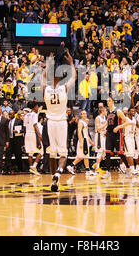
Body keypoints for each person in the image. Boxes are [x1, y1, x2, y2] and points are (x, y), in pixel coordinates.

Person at [43, 48, 76, 192]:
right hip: (62, 122)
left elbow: (43, 77)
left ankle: (53, 180)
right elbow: (74, 77)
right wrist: (71, 63)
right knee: (64, 153)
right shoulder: (64, 88)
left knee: (52, 152)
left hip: (50, 122)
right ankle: (58, 173)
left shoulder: (46, 89)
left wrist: (48, 63)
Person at [66, 110, 95, 176]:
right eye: (83, 114)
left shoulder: (85, 123)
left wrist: (91, 142)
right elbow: (79, 133)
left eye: (85, 113)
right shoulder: (80, 123)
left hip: (86, 140)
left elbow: (87, 134)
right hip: (83, 141)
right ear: (81, 115)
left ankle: (71, 166)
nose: (85, 115)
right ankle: (72, 166)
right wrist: (81, 142)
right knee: (83, 156)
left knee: (84, 156)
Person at [24, 101, 43, 176]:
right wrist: (39, 135)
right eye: (37, 106)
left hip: (27, 134)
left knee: (30, 153)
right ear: (34, 107)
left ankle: (31, 167)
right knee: (41, 151)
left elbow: (24, 127)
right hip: (33, 134)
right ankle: (34, 166)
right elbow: (35, 125)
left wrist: (24, 137)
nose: (37, 108)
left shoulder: (26, 115)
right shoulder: (34, 114)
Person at [93, 106, 108, 175]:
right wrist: (105, 124)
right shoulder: (97, 118)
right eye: (105, 111)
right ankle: (97, 168)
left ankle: (96, 164)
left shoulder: (105, 118)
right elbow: (98, 128)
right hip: (99, 135)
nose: (106, 112)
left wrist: (105, 131)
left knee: (104, 152)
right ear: (102, 111)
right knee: (99, 152)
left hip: (103, 135)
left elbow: (105, 128)